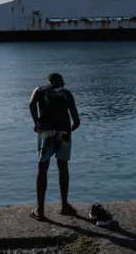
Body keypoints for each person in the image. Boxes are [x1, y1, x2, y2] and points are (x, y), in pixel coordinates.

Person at [28, 72, 80, 220]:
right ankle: (64, 206)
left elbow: (31, 104)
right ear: (61, 83)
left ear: (48, 81)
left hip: (46, 132)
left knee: (42, 167)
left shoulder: (39, 90)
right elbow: (76, 121)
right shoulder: (66, 93)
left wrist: (36, 122)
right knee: (63, 166)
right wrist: (68, 131)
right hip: (63, 132)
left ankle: (40, 210)